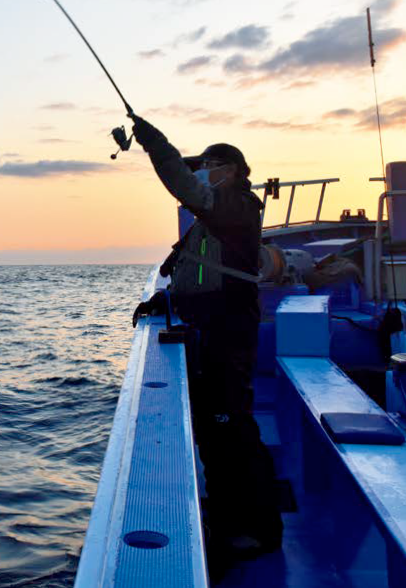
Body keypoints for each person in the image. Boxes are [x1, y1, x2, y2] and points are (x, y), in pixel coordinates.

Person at [119, 113, 283, 571]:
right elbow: (197, 270)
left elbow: (184, 185)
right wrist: (165, 299)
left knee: (232, 431)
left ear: (232, 171)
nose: (201, 173)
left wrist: (152, 140)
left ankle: (258, 531)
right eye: (200, 166)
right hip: (209, 330)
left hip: (226, 332)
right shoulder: (211, 218)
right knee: (215, 432)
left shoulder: (235, 204)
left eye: (209, 165)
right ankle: (228, 521)